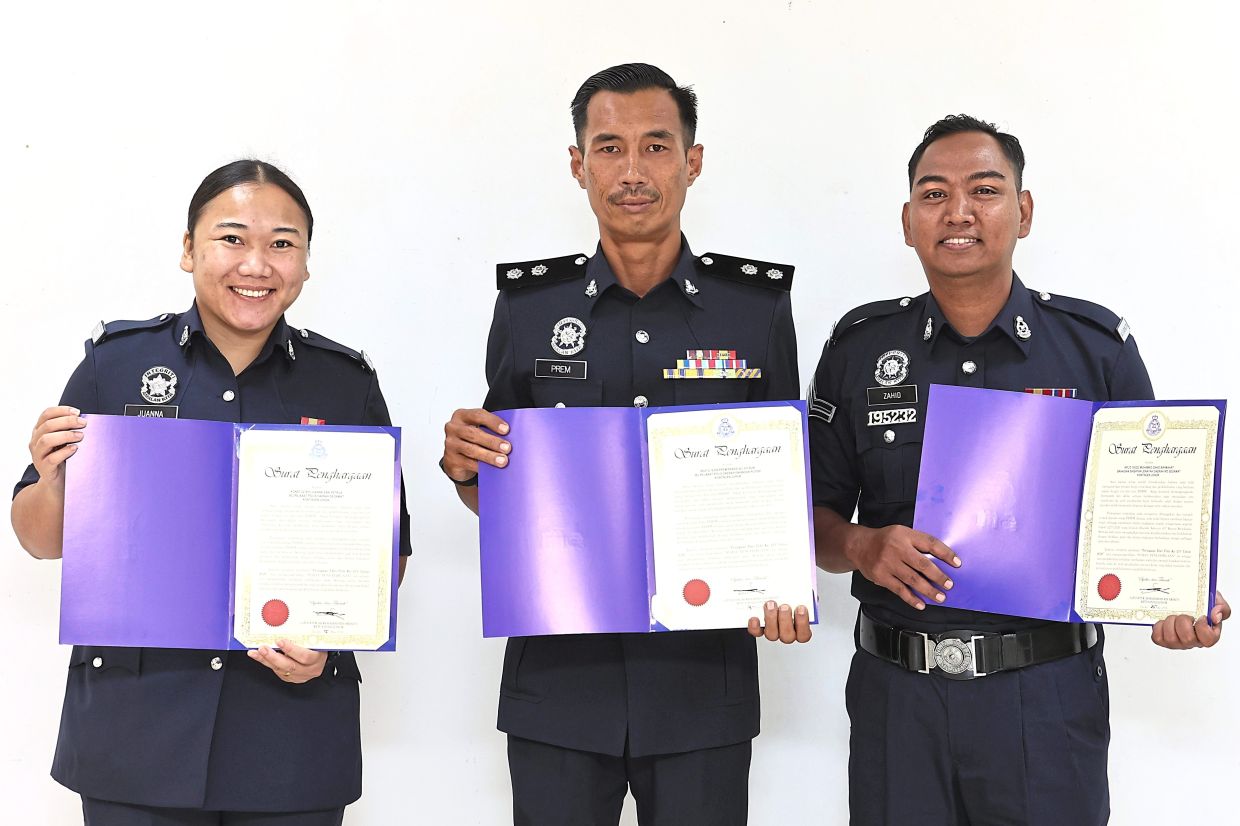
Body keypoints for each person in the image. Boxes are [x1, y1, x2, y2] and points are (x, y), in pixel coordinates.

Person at [807, 114, 1229, 825]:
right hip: (896, 702)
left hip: (1046, 700)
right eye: (934, 194)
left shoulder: (1093, 350)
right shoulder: (858, 349)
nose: (959, 212)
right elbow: (808, 523)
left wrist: (1176, 596)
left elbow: (1148, 511)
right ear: (908, 220)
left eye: (986, 189)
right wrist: (861, 545)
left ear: (1023, 211)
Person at [441, 63, 811, 826]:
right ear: (577, 165)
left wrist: (785, 582)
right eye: (609, 147)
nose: (633, 171)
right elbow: (507, 490)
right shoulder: (528, 309)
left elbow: (782, 486)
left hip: (702, 689)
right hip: (560, 688)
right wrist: (464, 468)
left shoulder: (756, 311)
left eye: (656, 146)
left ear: (693, 161)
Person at [11, 160, 412, 826]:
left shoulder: (345, 385)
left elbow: (386, 555)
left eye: (282, 243)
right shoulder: (115, 366)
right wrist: (54, 481)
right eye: (232, 238)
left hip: (290, 736)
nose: (256, 263)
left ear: (307, 265)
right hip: (135, 731)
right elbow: (37, 538)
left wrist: (331, 644)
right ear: (188, 249)